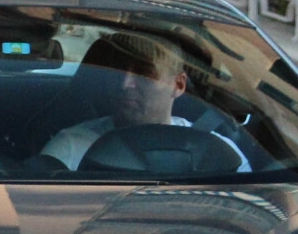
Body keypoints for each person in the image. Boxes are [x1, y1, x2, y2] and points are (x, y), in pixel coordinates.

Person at [40, 32, 190, 168]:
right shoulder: (71, 147)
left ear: (179, 84)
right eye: (118, 71)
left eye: (143, 74)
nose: (125, 84)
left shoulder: (206, 146)